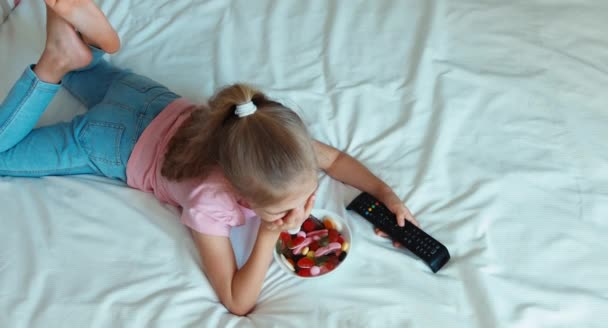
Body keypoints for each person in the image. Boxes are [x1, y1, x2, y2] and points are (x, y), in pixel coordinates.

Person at [0, 0, 419, 316]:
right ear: (243, 196)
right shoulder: (210, 202)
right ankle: (53, 66)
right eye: (284, 208)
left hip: (142, 97)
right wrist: (269, 234)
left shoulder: (271, 139)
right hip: (110, 142)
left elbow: (335, 160)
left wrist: (383, 192)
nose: (304, 210)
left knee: (89, 72)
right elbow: (237, 300)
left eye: (306, 195)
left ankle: (75, 39)